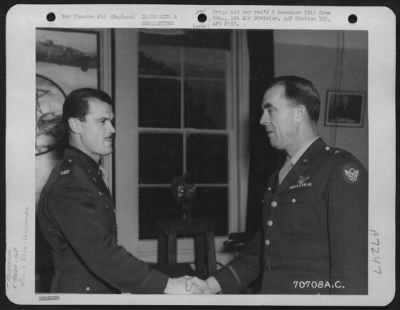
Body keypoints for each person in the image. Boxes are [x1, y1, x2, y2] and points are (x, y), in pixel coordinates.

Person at [188, 76, 368, 294]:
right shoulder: (279, 177)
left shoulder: (338, 170)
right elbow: (259, 250)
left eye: (270, 110)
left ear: (299, 114)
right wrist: (210, 285)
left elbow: (353, 269)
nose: (262, 120)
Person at [37, 88, 198, 294]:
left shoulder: (87, 174)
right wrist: (167, 285)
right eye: (102, 121)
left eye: (111, 121)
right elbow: (101, 253)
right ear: (75, 125)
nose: (112, 129)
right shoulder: (70, 184)